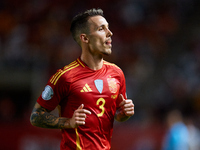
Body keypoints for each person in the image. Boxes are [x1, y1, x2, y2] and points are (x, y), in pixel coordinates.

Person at [30, 8, 134, 150]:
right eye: (101, 29)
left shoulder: (117, 73)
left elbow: (116, 115)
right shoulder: (65, 77)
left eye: (108, 28)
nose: (110, 33)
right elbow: (36, 116)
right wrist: (68, 122)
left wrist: (123, 114)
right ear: (85, 38)